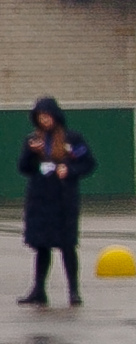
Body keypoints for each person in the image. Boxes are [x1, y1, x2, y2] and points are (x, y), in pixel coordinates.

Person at [19, 97, 94, 307]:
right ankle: (38, 289)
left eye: (47, 116)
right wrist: (31, 154)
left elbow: (89, 163)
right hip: (40, 200)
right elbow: (23, 168)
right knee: (41, 246)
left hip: (63, 200)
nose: (44, 121)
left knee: (67, 246)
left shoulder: (73, 139)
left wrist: (70, 170)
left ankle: (73, 291)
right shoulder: (33, 140)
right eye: (40, 117)